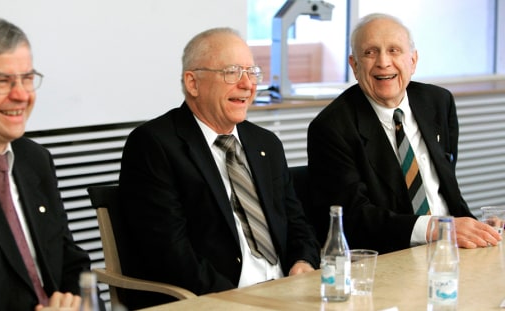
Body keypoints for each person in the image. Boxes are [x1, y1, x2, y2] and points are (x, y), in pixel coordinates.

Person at [118, 27, 320, 309]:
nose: (248, 85)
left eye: (252, 73)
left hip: (286, 293)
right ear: (193, 82)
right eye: (232, 73)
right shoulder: (154, 145)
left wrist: (304, 262)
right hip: (216, 299)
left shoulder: (266, 143)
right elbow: (170, 254)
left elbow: (297, 223)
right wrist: (238, 301)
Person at [307, 13, 501, 254]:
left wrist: (477, 228)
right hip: (390, 257)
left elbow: (444, 192)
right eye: (370, 52)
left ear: (413, 60)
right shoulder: (332, 127)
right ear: (354, 66)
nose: (383, 62)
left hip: (452, 249)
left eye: (394, 50)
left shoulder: (439, 102)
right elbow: (354, 219)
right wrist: (436, 228)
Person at [0, 15, 96, 311]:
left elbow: (70, 260)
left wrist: (79, 305)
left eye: (27, 78)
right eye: (1, 81)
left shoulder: (34, 159)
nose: (21, 95)